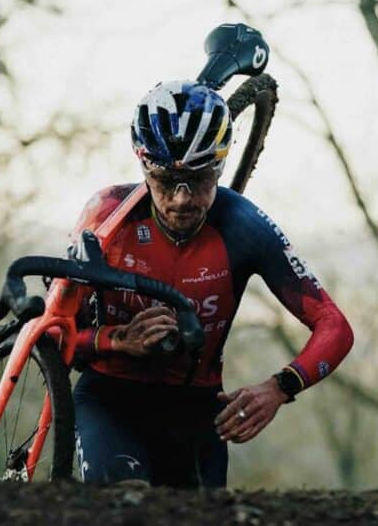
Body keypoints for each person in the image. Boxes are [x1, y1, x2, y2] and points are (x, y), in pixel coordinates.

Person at [69, 80, 354, 488]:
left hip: (195, 411)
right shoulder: (107, 216)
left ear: (220, 166)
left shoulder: (243, 226)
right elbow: (54, 336)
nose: (182, 199)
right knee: (126, 504)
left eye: (200, 179)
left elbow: (335, 325)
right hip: (110, 399)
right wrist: (117, 339)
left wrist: (279, 387)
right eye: (167, 180)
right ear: (144, 167)